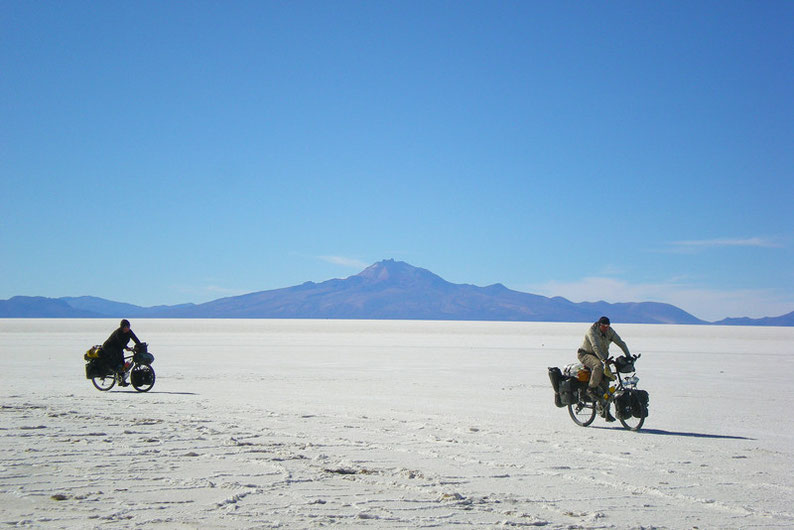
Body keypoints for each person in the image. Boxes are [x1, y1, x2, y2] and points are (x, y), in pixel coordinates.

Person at [578, 316, 631, 422]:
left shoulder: (609, 332)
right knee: (598, 366)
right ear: (599, 325)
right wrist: (603, 359)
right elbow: (595, 347)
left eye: (608, 326)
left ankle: (606, 412)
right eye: (604, 326)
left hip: (602, 357)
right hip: (586, 354)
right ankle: (591, 388)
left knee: (606, 383)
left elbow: (621, 342)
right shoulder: (592, 331)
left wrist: (628, 356)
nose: (606, 328)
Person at [101, 319, 141, 387]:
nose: (127, 328)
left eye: (128, 327)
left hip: (118, 348)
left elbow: (135, 339)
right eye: (126, 327)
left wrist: (139, 345)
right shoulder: (118, 332)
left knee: (122, 364)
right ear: (122, 327)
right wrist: (126, 348)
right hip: (109, 347)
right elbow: (120, 342)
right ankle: (109, 372)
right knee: (117, 361)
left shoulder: (129, 332)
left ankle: (122, 381)